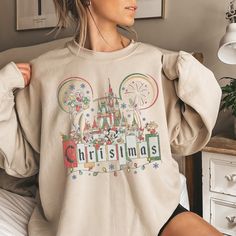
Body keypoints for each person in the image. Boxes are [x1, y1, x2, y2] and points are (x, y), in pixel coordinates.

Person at [0, 0, 223, 235]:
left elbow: (185, 141)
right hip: (77, 224)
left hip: (160, 214)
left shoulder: (154, 62)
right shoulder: (44, 73)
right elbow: (22, 162)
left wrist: (187, 71)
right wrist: (3, 88)